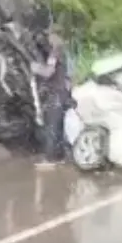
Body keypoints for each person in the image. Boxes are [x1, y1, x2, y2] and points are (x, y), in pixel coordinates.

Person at [30, 20, 71, 170]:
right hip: (63, 93)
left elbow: (48, 72)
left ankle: (49, 159)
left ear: (56, 36)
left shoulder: (56, 51)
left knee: (51, 126)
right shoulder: (64, 51)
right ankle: (59, 157)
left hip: (56, 94)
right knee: (58, 126)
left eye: (50, 35)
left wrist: (35, 68)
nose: (48, 38)